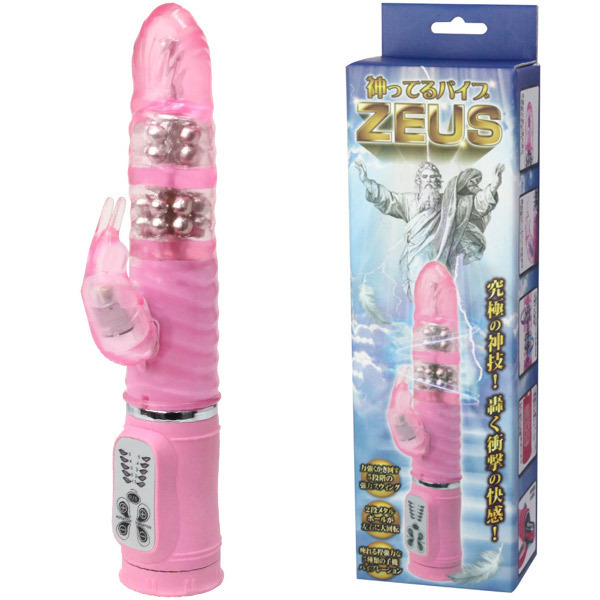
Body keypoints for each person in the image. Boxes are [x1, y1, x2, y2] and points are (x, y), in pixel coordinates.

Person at [355, 160, 505, 299]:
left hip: (443, 260)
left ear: (438, 181)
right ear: (419, 181)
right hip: (417, 260)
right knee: (422, 299)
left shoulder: (449, 202)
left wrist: (494, 186)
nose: (428, 180)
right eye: (425, 176)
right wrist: (366, 181)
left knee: (441, 300)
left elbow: (475, 205)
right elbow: (387, 199)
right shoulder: (408, 201)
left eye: (432, 177)